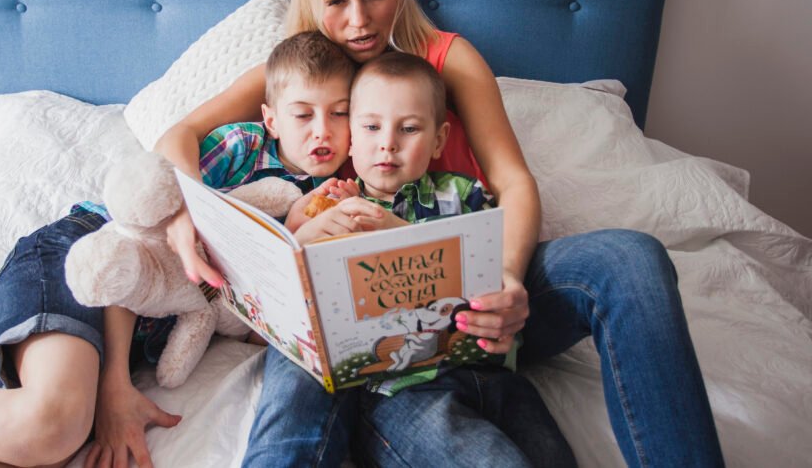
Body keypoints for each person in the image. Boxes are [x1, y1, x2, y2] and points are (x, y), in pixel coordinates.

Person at [156, 0, 725, 466]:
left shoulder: (448, 61)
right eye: (336, 1)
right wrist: (189, 209)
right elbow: (177, 135)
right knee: (300, 380)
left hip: (475, 296)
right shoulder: (298, 79)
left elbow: (514, 182)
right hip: (357, 317)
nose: (359, 20)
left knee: (631, 259)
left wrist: (506, 278)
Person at [0, 31, 358, 468]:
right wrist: (113, 387)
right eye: (304, 114)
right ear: (271, 119)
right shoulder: (241, 150)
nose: (323, 131)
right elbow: (131, 248)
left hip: (133, 331)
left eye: (339, 115)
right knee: (52, 426)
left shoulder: (330, 198)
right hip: (79, 259)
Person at [245, 50, 576, 468]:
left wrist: (395, 230)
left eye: (409, 129)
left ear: (438, 139)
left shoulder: (465, 195)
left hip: (495, 376)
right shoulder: (334, 209)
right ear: (351, 135)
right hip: (405, 386)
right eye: (370, 126)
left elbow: (487, 265)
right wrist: (307, 235)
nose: (387, 143)